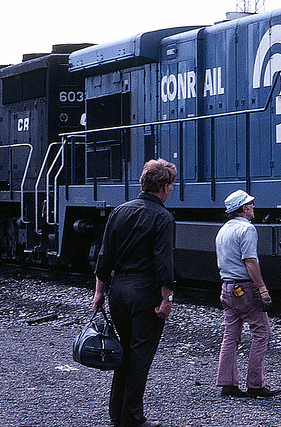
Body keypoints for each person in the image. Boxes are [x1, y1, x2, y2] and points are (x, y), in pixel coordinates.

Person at [92, 159, 177, 427]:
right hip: (145, 292)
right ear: (164, 187)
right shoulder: (163, 217)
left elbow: (104, 257)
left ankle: (117, 414)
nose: (171, 189)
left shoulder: (119, 212)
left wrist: (99, 293)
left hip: (119, 291)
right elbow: (164, 263)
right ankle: (132, 418)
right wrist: (167, 298)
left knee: (123, 353)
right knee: (140, 356)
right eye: (171, 185)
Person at [215, 189, 281, 398]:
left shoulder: (223, 230)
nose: (254, 208)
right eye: (251, 204)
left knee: (230, 335)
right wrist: (262, 289)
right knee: (262, 333)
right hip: (244, 288)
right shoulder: (247, 229)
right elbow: (250, 261)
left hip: (227, 287)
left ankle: (227, 383)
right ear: (244, 208)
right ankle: (255, 384)